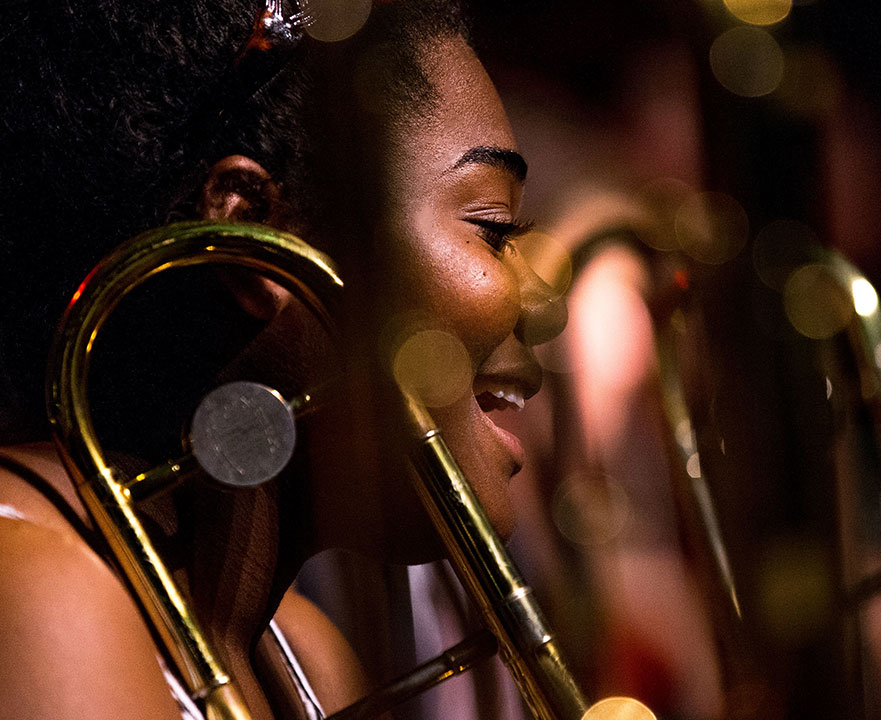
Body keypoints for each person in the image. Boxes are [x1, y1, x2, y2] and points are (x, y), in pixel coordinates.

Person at [0, 1, 565, 717]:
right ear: (254, 237)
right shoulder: (37, 591)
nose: (544, 299)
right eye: (493, 228)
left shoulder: (307, 654)